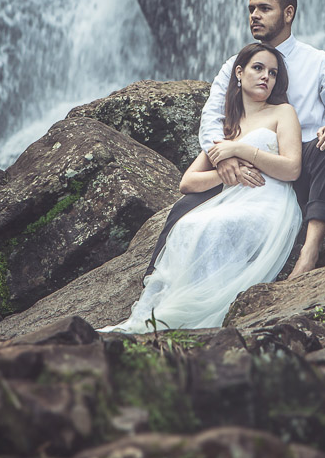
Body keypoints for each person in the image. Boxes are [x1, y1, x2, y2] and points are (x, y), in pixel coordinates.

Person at [147, 0, 325, 280]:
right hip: (246, 167)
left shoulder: (320, 62)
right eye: (251, 9)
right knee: (185, 207)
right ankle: (154, 282)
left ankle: (310, 251)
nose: (254, 16)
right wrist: (223, 156)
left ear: (288, 14)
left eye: (264, 8)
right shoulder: (236, 65)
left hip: (301, 163)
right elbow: (211, 116)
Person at [102, 42, 303, 332]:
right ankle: (173, 312)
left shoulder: (283, 113)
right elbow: (188, 182)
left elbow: (292, 168)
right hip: (233, 198)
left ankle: (204, 312)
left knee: (215, 226)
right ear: (238, 72)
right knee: (189, 226)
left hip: (269, 202)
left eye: (272, 73)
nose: (265, 77)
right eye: (258, 68)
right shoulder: (226, 126)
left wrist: (241, 151)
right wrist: (224, 176)